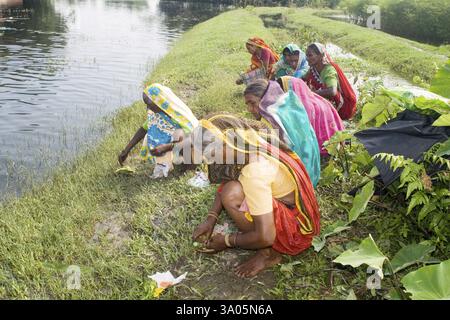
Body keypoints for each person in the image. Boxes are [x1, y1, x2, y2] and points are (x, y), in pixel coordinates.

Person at [189, 114, 320, 278]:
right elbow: (229, 179)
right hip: (297, 207)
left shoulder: (254, 172)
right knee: (231, 186)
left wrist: (227, 241)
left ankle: (268, 254)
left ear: (228, 143)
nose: (209, 160)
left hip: (295, 229)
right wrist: (211, 218)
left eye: (211, 153)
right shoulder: (251, 140)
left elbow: (265, 236)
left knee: (231, 195)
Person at [243, 79, 321, 187]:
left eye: (252, 103)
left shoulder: (269, 122)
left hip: (296, 182)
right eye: (247, 105)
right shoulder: (290, 105)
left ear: (265, 99)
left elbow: (268, 159)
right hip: (312, 175)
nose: (250, 109)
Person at [118, 83, 198, 178]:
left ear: (160, 102)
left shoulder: (178, 116)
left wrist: (166, 147)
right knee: (153, 131)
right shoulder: (156, 115)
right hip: (176, 149)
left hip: (193, 150)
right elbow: (143, 130)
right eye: (146, 104)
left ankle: (189, 169)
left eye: (149, 104)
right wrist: (126, 150)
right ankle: (170, 162)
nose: (148, 108)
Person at [277, 76, 345, 155]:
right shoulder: (308, 97)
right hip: (336, 140)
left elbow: (301, 133)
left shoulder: (304, 106)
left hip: (327, 146)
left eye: (283, 90)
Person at [304, 42, 357, 120]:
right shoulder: (313, 68)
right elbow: (302, 79)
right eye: (307, 55)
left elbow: (332, 91)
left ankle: (328, 114)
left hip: (340, 106)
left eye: (310, 55)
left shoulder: (329, 70)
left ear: (321, 56)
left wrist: (310, 94)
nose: (307, 58)